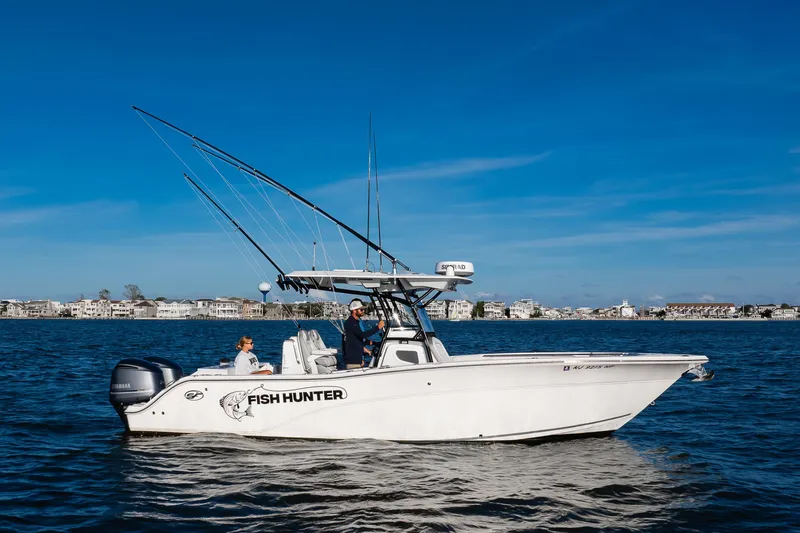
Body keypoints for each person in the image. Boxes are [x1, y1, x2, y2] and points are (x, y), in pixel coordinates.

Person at [343, 299, 384, 369]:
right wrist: (378, 327)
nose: (363, 311)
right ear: (354, 311)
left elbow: (359, 340)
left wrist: (375, 343)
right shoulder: (350, 323)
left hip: (357, 360)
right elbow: (363, 335)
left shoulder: (356, 322)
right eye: (361, 310)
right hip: (353, 361)